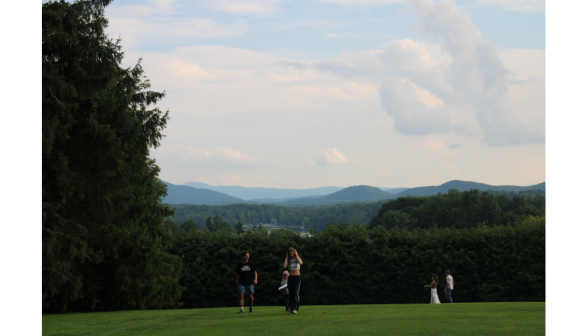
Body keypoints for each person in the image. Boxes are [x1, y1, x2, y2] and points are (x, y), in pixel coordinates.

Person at [283, 247, 303, 314]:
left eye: (292, 253)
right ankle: (291, 309)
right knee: (291, 294)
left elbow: (301, 263)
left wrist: (296, 255)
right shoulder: (289, 260)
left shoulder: (297, 258)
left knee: (295, 292)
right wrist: (286, 257)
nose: (291, 255)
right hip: (291, 278)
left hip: (297, 278)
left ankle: (295, 308)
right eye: (290, 254)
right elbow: (284, 266)